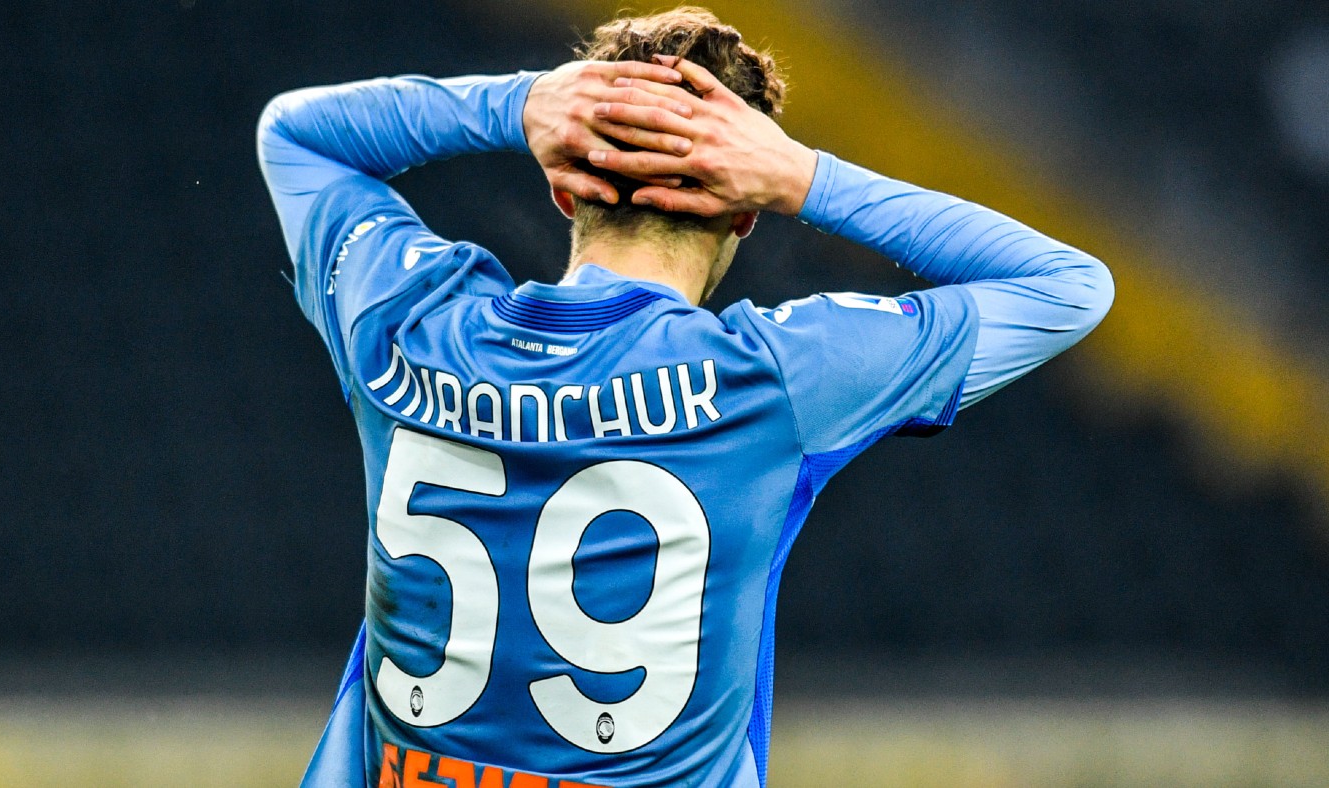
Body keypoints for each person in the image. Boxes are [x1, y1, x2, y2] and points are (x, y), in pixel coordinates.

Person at [257, 7, 1113, 787]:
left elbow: (295, 136)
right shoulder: (770, 377)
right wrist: (803, 175)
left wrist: (515, 105)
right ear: (745, 212)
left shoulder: (413, 321)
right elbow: (1068, 287)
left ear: (562, 186)